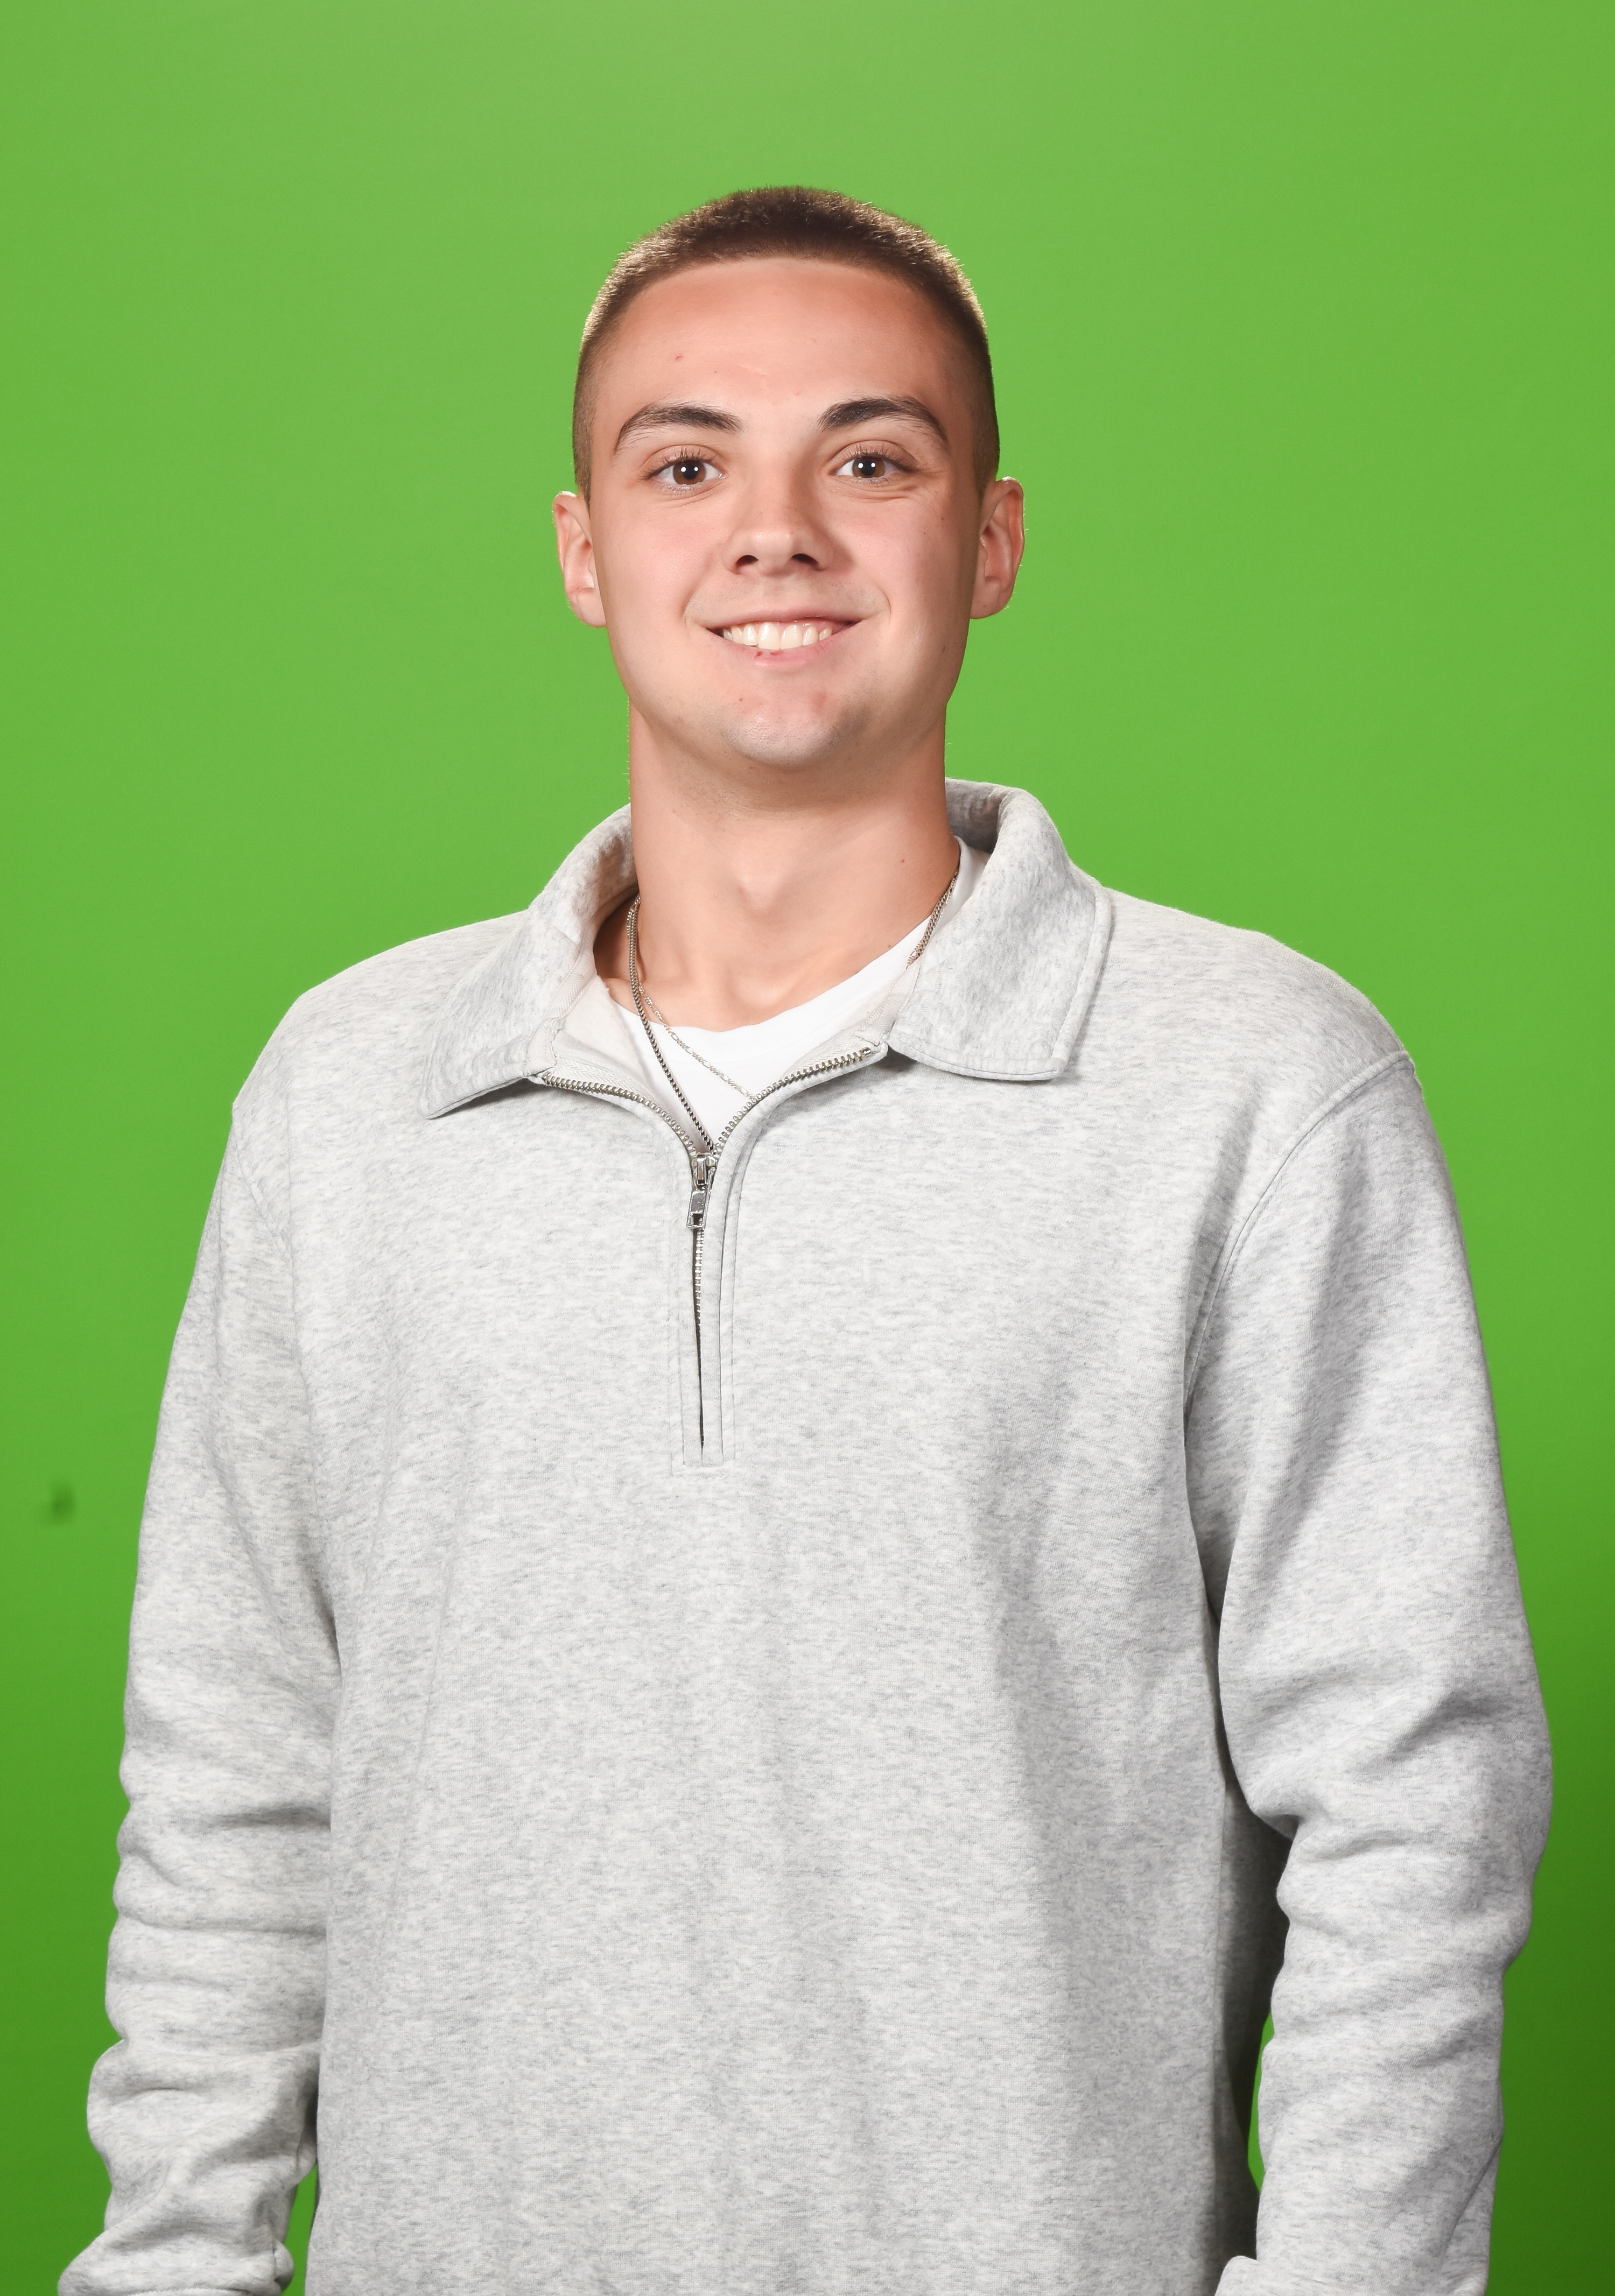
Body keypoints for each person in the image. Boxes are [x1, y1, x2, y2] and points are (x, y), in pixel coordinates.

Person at [66, 186, 1549, 2296]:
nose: (776, 532)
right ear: (585, 549)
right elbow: (234, 1782)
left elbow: (1412, 1811)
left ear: (993, 537)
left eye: (870, 459)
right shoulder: (348, 1095)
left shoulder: (1254, 1085)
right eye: (687, 466)